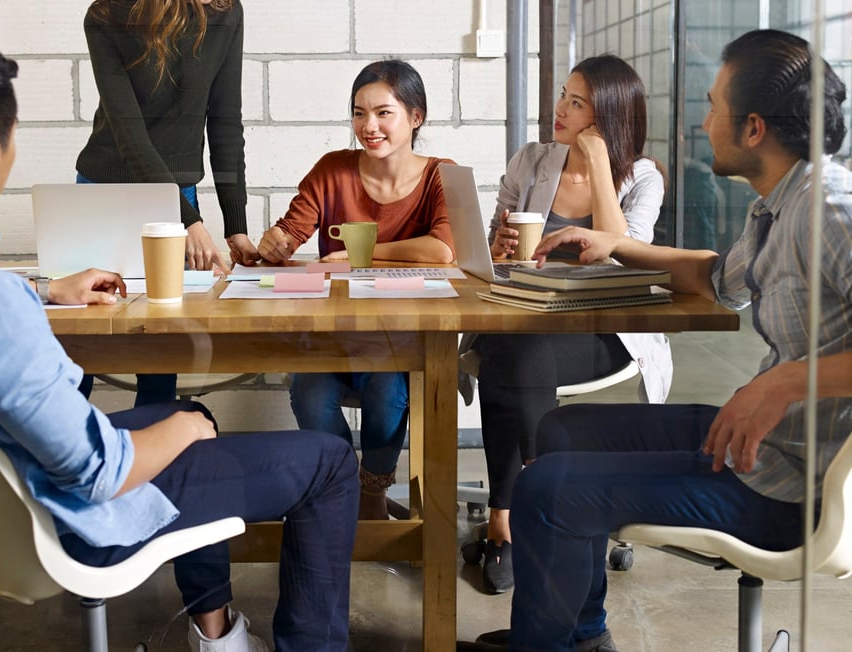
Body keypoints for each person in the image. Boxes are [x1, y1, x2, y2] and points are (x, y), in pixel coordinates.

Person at [0, 33, 359, 652]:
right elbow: (102, 473)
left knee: (189, 411)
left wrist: (47, 291)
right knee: (328, 462)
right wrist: (187, 433)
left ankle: (219, 634)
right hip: (61, 520)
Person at [462, 29, 852, 652]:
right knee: (561, 433)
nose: (702, 123)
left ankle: (546, 644)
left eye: (713, 106)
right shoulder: (779, 206)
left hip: (789, 487)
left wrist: (783, 381)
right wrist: (617, 246)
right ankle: (580, 637)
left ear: (753, 127)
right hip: (764, 445)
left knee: (545, 485)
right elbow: (718, 279)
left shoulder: (830, 211)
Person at [463, 55, 672, 594]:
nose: (560, 108)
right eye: (563, 95)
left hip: (603, 333)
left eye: (577, 102)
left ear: (607, 117)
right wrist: (498, 246)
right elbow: (491, 251)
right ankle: (539, 500)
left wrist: (600, 166)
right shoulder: (531, 161)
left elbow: (629, 256)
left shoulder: (643, 177)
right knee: (515, 346)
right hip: (528, 323)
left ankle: (509, 518)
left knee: (510, 351)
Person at [256, 59, 456, 519]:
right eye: (359, 113)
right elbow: (291, 231)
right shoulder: (333, 169)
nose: (369, 126)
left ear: (415, 117)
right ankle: (340, 487)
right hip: (333, 335)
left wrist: (359, 256)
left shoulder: (440, 174)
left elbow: (443, 250)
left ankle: (371, 493)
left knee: (389, 394)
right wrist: (275, 243)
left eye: (384, 113)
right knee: (309, 394)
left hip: (401, 339)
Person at [77, 0, 258, 405]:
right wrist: (188, 220)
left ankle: (154, 461)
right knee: (78, 349)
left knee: (160, 343)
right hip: (103, 190)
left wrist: (236, 227)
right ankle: (62, 460)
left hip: (177, 197)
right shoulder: (106, 15)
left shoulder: (224, 10)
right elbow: (129, 135)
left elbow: (226, 120)